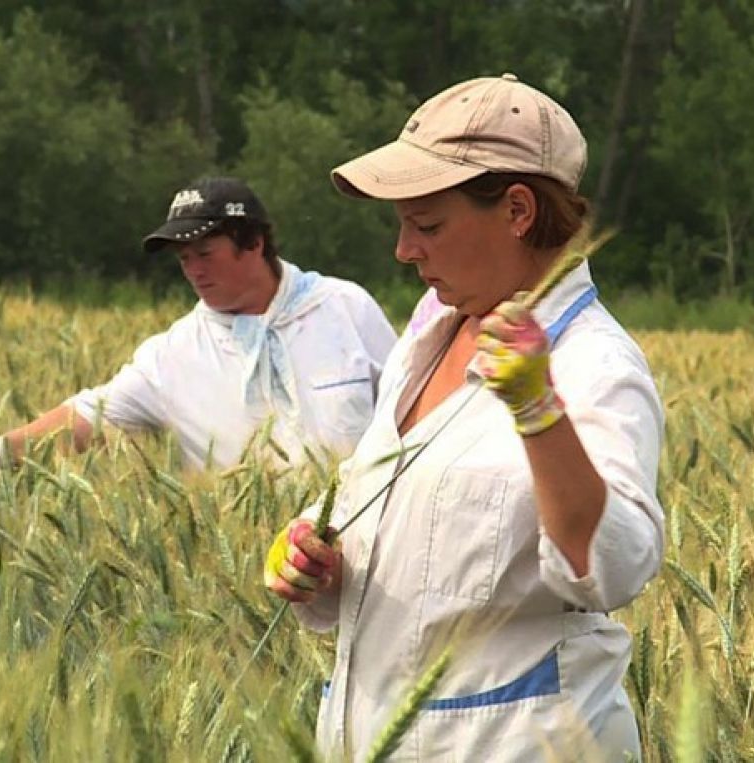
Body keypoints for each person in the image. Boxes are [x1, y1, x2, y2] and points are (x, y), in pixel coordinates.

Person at [263, 74, 665, 760]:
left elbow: (614, 565)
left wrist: (539, 410)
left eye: (427, 225)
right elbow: (420, 541)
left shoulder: (596, 365)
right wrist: (322, 563)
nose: (403, 250)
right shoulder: (427, 340)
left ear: (516, 210)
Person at [0, 176, 398, 472]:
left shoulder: (345, 308)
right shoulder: (172, 356)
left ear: (255, 243)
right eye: (184, 259)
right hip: (252, 567)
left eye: (206, 254)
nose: (194, 270)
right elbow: (89, 416)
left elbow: (414, 405)